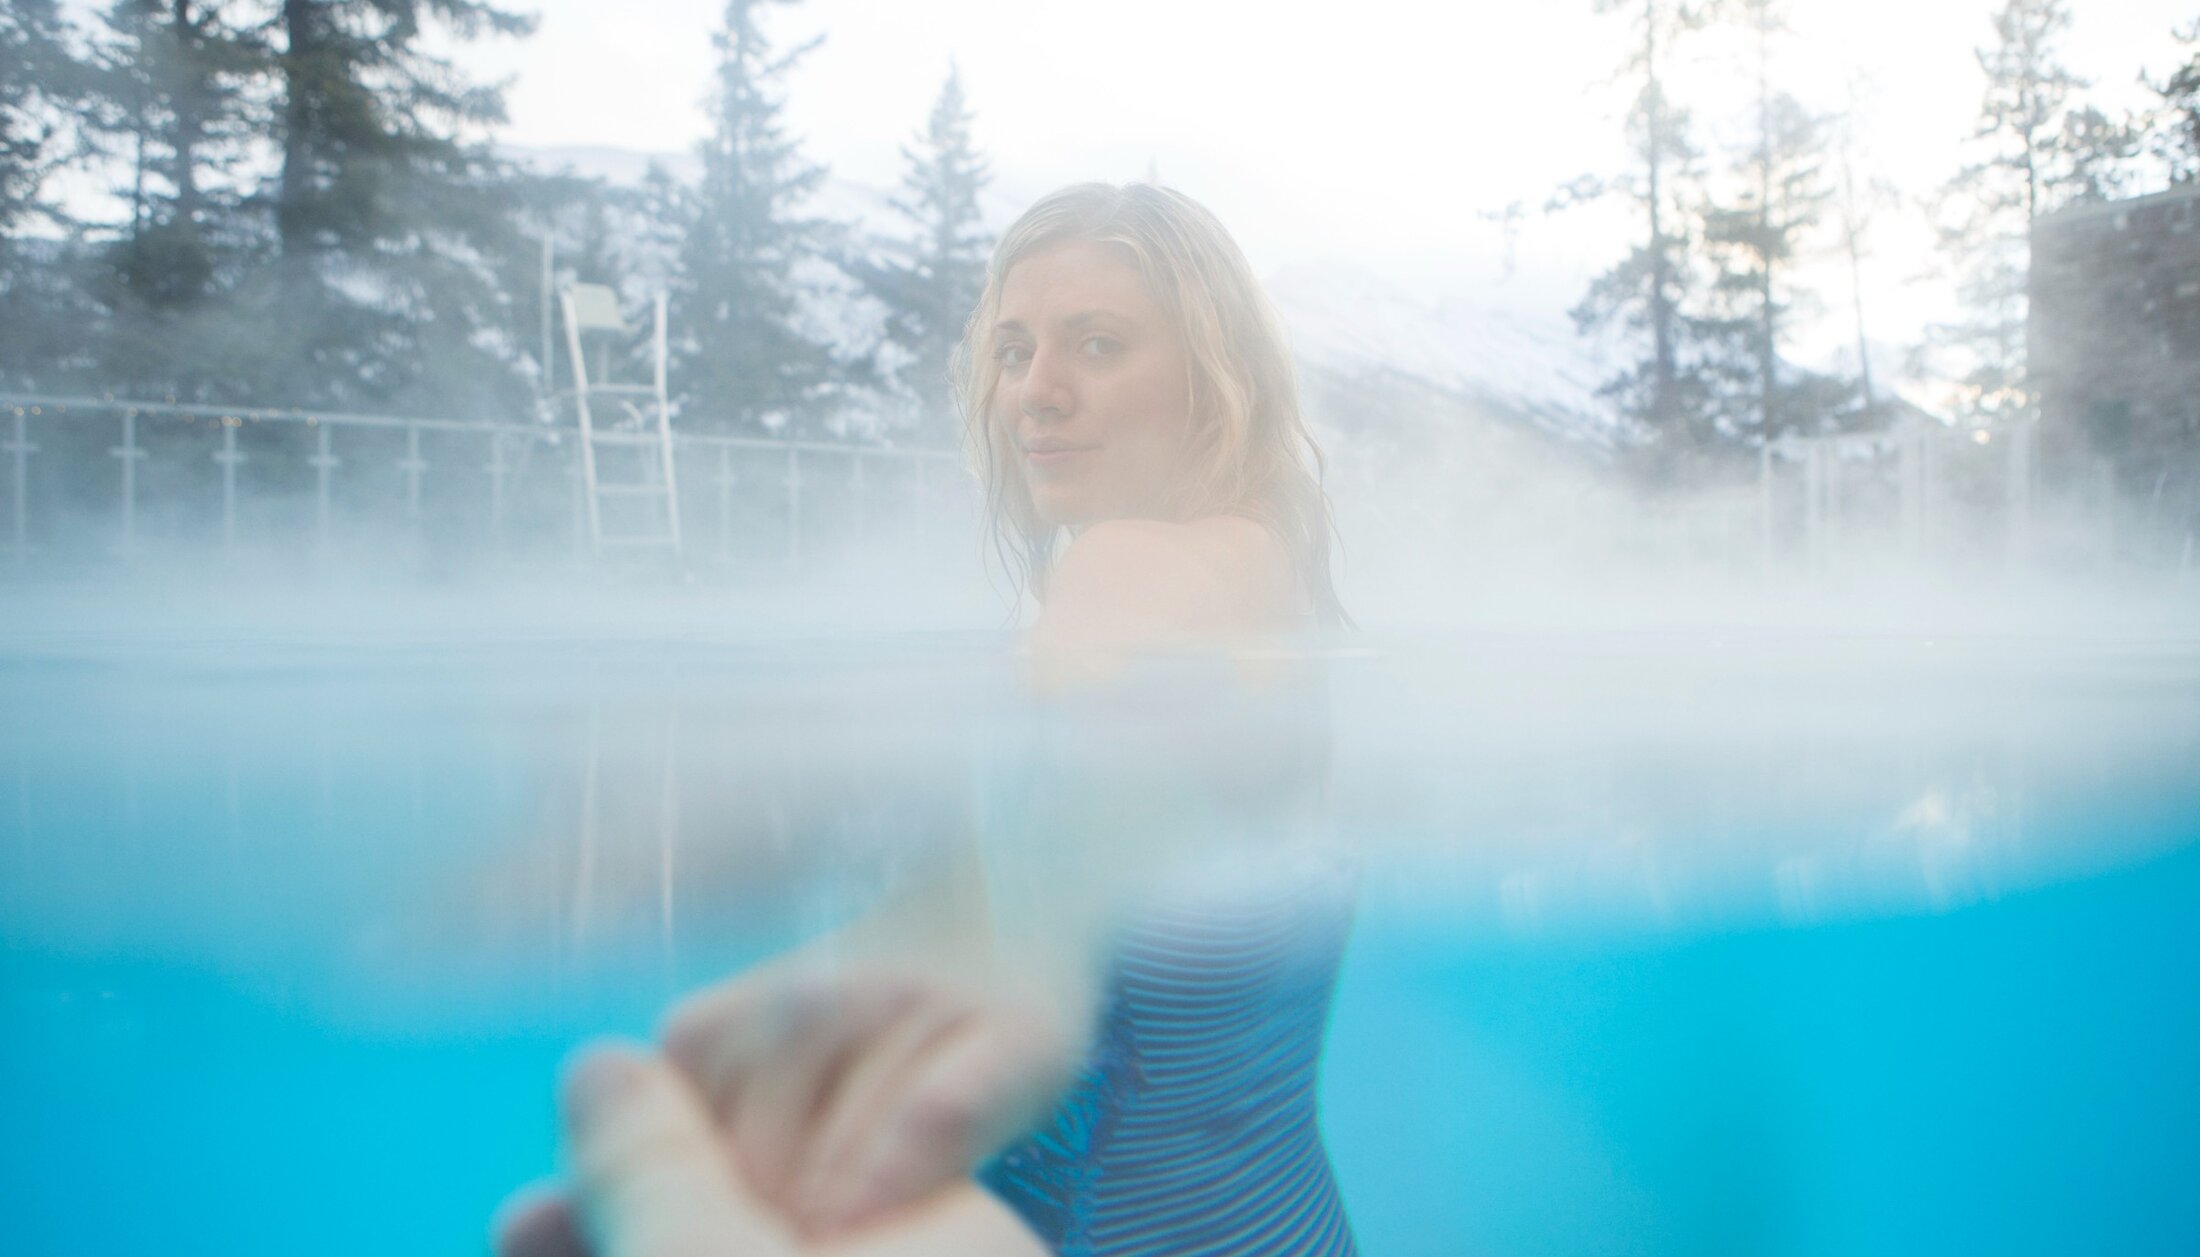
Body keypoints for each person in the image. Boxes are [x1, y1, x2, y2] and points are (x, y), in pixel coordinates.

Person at [494, 182, 1355, 1257]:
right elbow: (1066, 882)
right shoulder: (1270, 586)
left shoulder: (1139, 565)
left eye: (1095, 345)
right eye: (1012, 351)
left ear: (1214, 378)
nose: (1035, 393)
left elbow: (1090, 829)